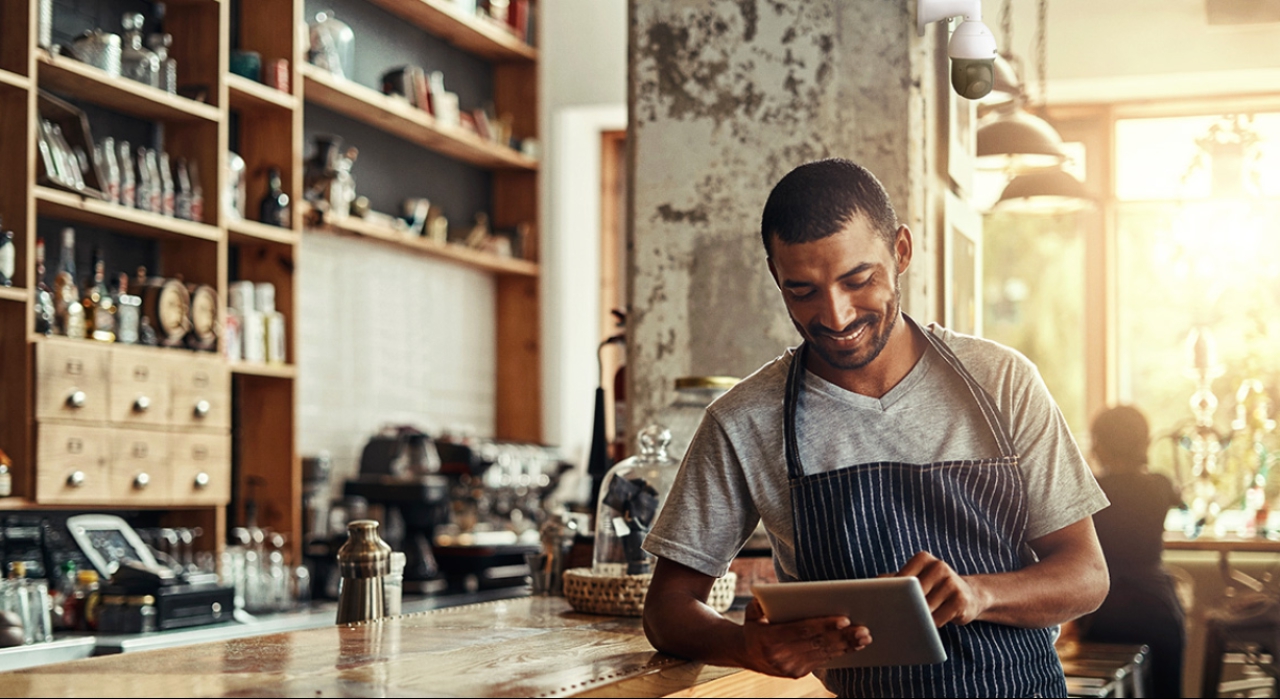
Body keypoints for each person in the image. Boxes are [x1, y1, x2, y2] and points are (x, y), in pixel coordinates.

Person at [640, 158, 1111, 697]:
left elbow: (1087, 576)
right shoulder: (744, 419)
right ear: (775, 276)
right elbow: (667, 611)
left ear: (901, 251)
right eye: (802, 291)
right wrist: (744, 646)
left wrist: (978, 594)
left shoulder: (1002, 382)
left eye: (858, 280)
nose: (835, 316)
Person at [1080, 404, 1186, 698]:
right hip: (1157, 606)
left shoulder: (1091, 489)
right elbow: (1187, 506)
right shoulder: (1160, 484)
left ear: (1099, 443)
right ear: (1144, 442)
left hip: (1104, 608)